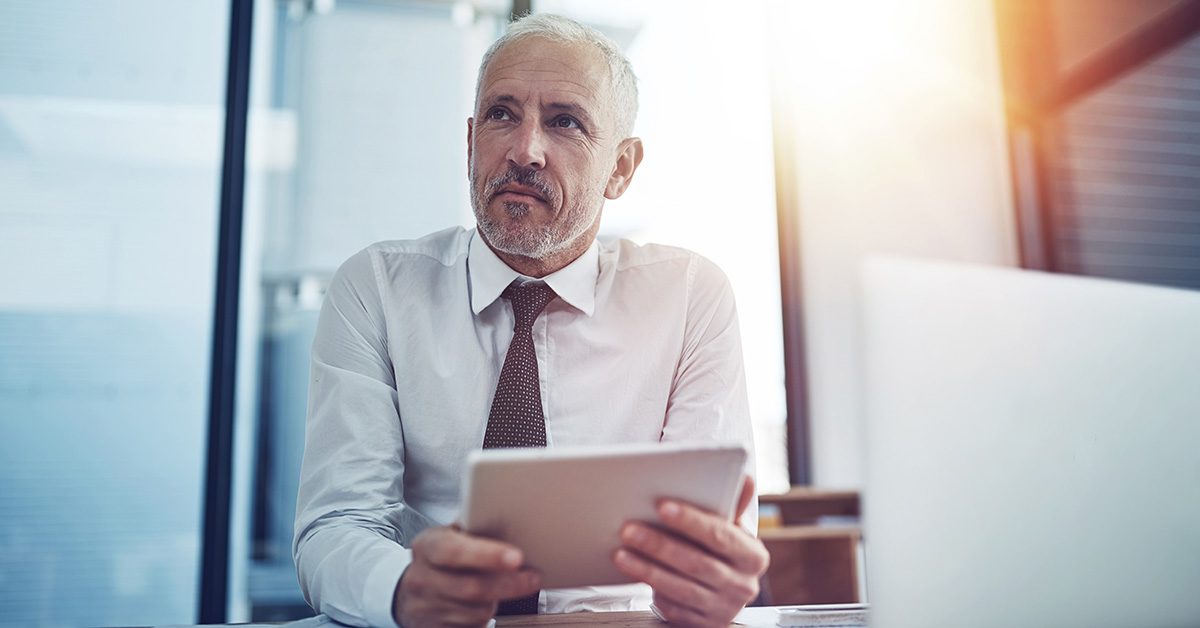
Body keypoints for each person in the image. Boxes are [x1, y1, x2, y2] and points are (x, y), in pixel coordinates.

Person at [293, 13, 768, 628]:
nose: (525, 151)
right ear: (469, 142)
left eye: (565, 122)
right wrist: (403, 587)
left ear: (621, 169)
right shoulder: (376, 289)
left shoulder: (688, 297)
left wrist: (707, 585)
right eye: (501, 115)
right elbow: (333, 528)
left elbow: (706, 533)